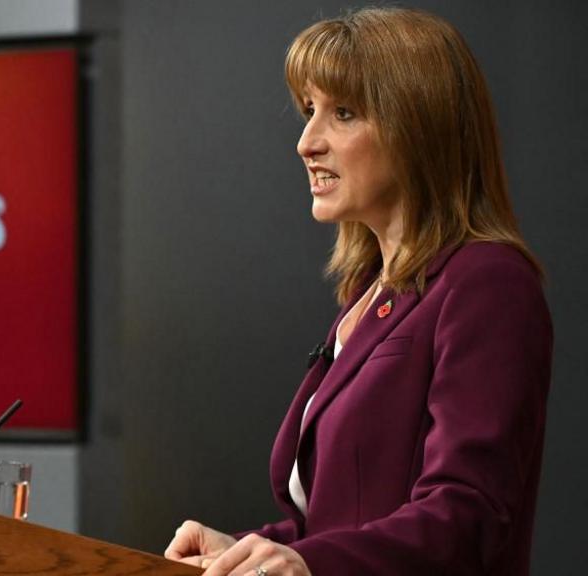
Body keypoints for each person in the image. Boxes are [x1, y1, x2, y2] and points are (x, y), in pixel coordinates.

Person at [164, 7, 552, 576]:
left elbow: (466, 517)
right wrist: (246, 550)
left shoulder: (488, 284)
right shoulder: (368, 295)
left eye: (342, 113)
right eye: (309, 111)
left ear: (421, 127)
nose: (306, 142)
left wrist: (307, 563)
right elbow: (340, 523)